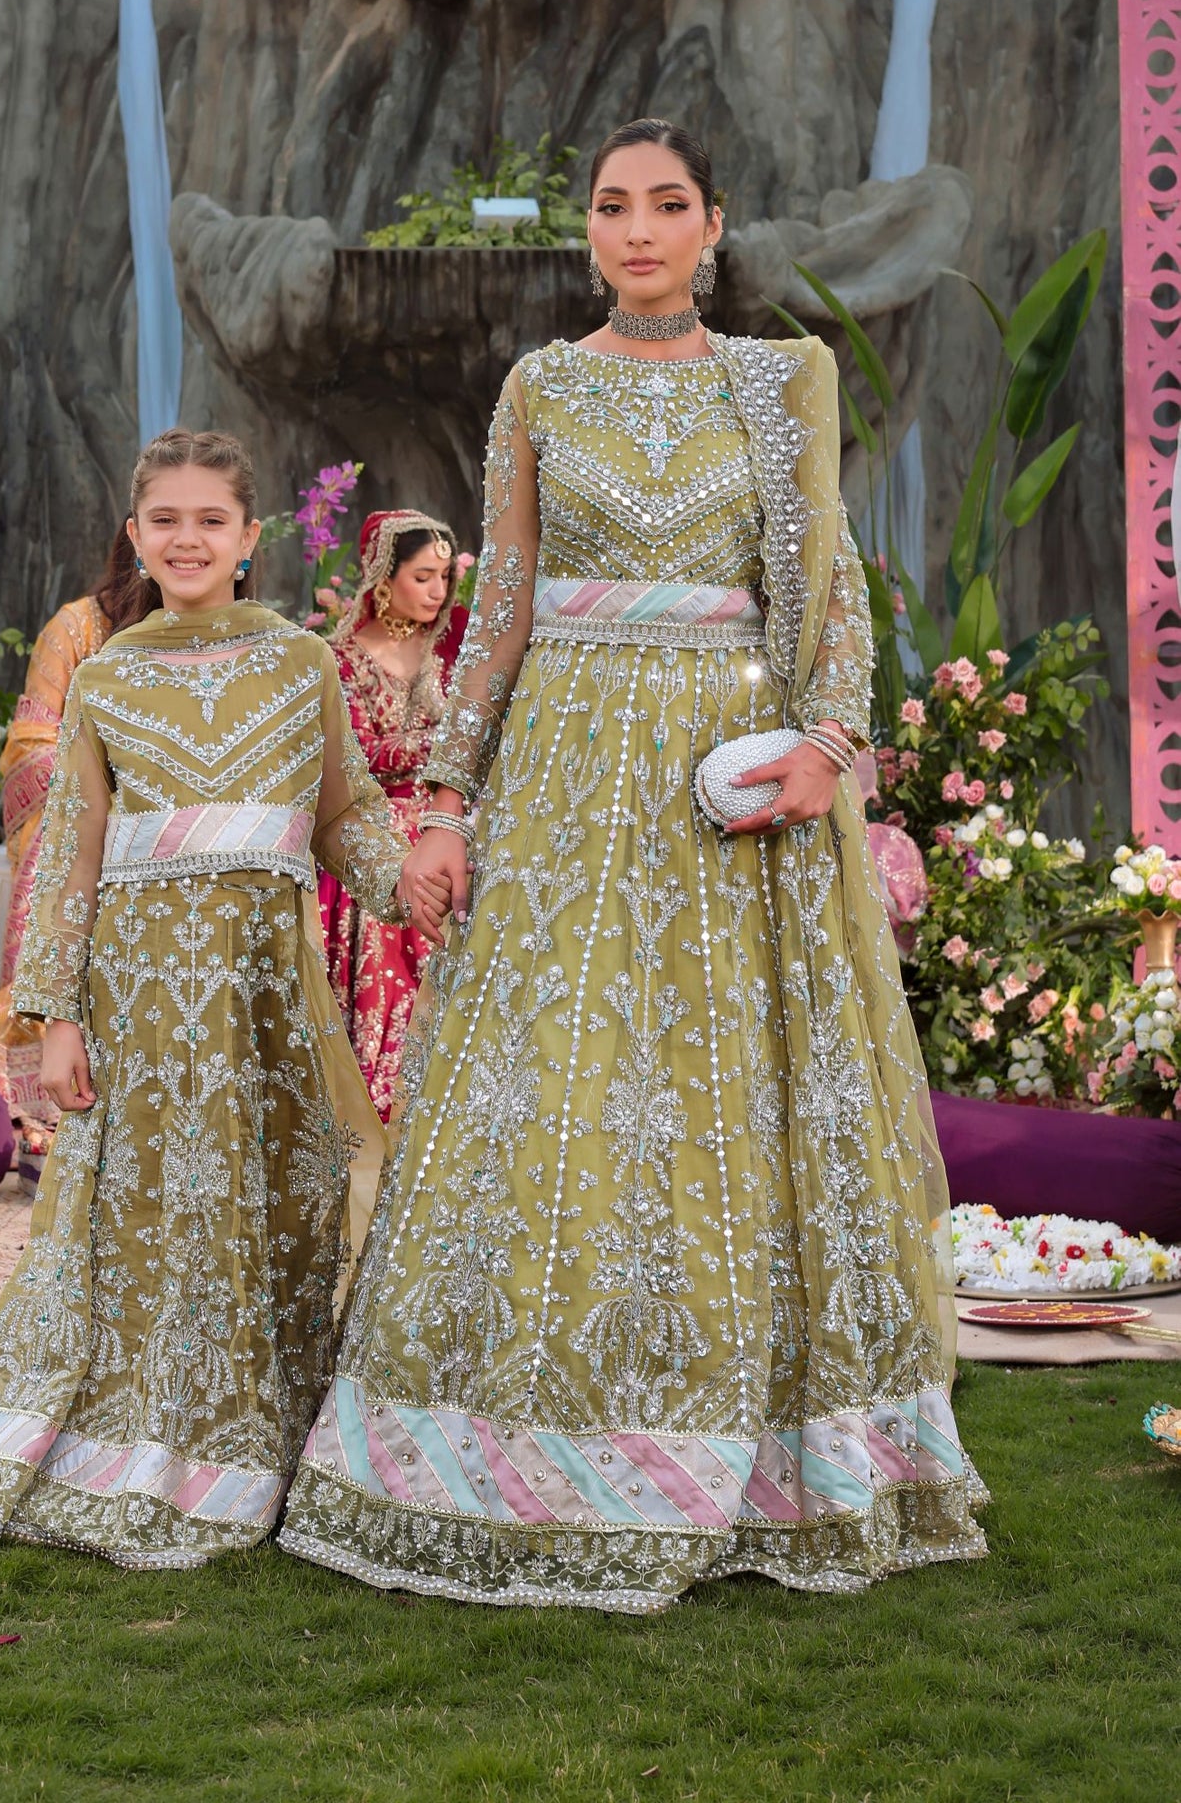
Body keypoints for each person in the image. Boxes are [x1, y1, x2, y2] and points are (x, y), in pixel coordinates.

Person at [280, 118, 988, 1611]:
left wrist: (828, 743)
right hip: (562, 773)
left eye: (668, 204)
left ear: (714, 223)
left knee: (729, 1080)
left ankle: (758, 1437)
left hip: (730, 777)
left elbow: (826, 582)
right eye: (613, 206)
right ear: (589, 228)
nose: (640, 229)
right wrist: (447, 799)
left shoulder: (780, 379)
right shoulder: (540, 384)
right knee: (558, 1073)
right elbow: (504, 603)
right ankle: (518, 1435)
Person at [0, 429, 449, 1568]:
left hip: (267, 997)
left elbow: (344, 814)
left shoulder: (299, 665)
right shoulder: (107, 677)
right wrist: (57, 1016)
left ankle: (257, 1438)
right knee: (140, 1218)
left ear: (248, 539)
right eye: (165, 520)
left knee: (272, 1206)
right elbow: (71, 858)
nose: (186, 539)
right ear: (136, 535)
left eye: (209, 520)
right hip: (137, 999)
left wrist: (412, 887)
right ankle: (135, 1433)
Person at [0, 527, 151, 1111]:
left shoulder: (207, 636)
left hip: (170, 828)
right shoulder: (76, 628)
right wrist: (102, 794)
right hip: (85, 813)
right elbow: (32, 742)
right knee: (64, 845)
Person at [318, 512, 468, 1122]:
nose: (438, 591)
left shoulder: (455, 654)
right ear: (384, 576)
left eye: (443, 578)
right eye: (422, 576)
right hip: (374, 839)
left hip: (450, 831)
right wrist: (448, 745)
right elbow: (353, 754)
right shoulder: (339, 659)